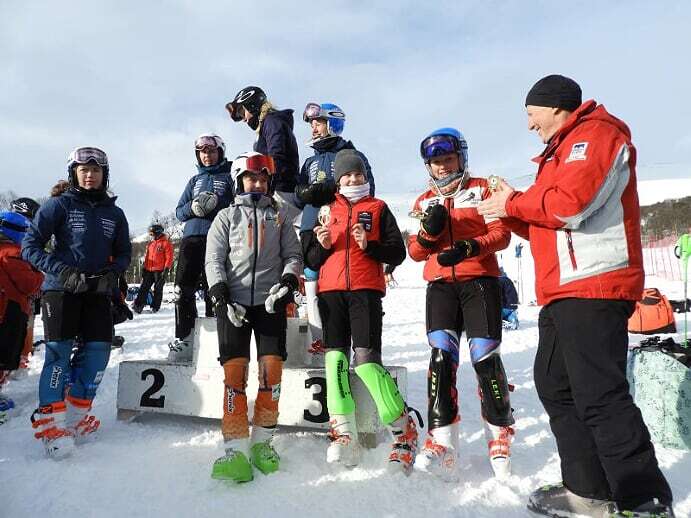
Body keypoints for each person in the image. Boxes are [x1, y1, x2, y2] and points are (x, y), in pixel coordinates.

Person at [477, 74, 674, 517]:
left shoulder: (597, 136)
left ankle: (643, 499)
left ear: (555, 106)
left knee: (600, 394)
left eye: (531, 114)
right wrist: (505, 211)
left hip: (595, 285)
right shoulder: (558, 152)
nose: (529, 125)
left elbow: (571, 205)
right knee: (556, 386)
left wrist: (514, 203)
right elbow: (549, 224)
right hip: (562, 290)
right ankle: (589, 490)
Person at [407, 128, 515, 480]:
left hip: (479, 281)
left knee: (485, 358)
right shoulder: (424, 200)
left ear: (461, 158)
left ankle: (500, 434)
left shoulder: (482, 188)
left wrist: (471, 247)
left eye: (447, 159)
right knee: (441, 359)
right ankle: (441, 439)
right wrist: (428, 234)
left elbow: (501, 234)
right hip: (440, 286)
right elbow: (415, 252)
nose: (442, 167)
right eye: (435, 162)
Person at [302, 149, 419, 473]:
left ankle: (404, 431)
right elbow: (310, 260)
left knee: (367, 364)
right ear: (338, 180)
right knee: (334, 360)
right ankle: (344, 435)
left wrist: (370, 245)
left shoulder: (378, 209)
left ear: (366, 177)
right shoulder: (325, 210)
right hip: (330, 293)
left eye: (359, 174)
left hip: (366, 292)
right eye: (347, 175)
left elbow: (398, 251)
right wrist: (321, 245)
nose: (354, 179)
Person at [22, 146, 131, 457]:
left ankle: (73, 418)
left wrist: (113, 273)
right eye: (83, 169)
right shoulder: (58, 206)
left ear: (103, 174)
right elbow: (30, 246)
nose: (89, 174)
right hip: (62, 290)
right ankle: (50, 425)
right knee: (58, 356)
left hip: (97, 292)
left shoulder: (115, 213)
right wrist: (63, 271)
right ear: (73, 173)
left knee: (98, 353)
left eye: (96, 170)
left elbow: (124, 252)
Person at [205, 152, 302, 483]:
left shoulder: (280, 215)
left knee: (271, 372)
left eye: (262, 178)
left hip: (270, 304)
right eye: (250, 178)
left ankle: (263, 441)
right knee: (234, 374)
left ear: (269, 181)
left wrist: (288, 282)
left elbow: (293, 255)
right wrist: (219, 293)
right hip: (233, 304)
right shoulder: (225, 217)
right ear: (239, 180)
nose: (257, 183)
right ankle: (235, 448)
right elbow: (214, 259)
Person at [296, 102, 376, 354]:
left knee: (338, 284)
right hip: (311, 227)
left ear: (333, 123)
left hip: (341, 230)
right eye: (311, 123)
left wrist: (332, 188)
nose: (314, 128)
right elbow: (299, 196)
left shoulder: (352, 155)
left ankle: (352, 343)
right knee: (311, 278)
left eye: (318, 122)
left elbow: (368, 190)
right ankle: (318, 339)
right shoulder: (309, 162)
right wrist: (304, 192)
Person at [169, 134, 234, 360]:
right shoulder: (194, 181)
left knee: (213, 289)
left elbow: (237, 207)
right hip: (190, 239)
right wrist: (194, 208)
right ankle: (185, 338)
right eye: (203, 152)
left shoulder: (229, 177)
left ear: (220, 152)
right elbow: (179, 212)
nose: (207, 156)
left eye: (211, 151)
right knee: (181, 289)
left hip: (217, 238)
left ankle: (218, 340)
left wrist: (219, 204)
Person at [225, 86, 300, 212]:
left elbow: (276, 157)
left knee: (280, 229)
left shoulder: (272, 122)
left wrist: (269, 189)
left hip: (281, 191)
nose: (243, 119)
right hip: (275, 189)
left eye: (242, 112)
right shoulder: (267, 124)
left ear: (251, 105)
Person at [0, 211, 43, 423]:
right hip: (8, 311)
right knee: (4, 354)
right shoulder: (11, 254)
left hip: (6, 308)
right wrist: (41, 274)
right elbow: (29, 284)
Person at [9, 197, 42, 379]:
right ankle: (19, 361)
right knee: (21, 325)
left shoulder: (31, 232)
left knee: (26, 324)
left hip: (26, 288)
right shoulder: (17, 232)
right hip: (21, 287)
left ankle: (21, 359)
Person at [132, 223, 173, 313]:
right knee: (144, 287)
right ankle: (138, 305)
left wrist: (166, 270)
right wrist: (144, 268)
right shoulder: (151, 244)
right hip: (149, 270)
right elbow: (147, 257)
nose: (151, 236)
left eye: (152, 234)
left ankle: (155, 306)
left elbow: (169, 257)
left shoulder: (166, 243)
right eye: (150, 234)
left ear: (157, 233)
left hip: (159, 271)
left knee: (158, 289)